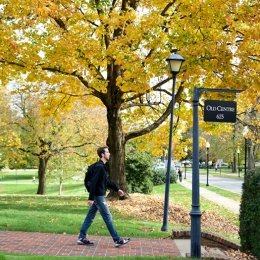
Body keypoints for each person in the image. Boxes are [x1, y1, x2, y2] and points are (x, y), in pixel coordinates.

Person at [77, 146, 130, 247]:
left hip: (98, 196)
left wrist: (117, 189)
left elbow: (107, 181)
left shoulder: (102, 166)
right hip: (98, 196)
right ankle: (117, 240)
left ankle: (81, 237)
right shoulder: (99, 167)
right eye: (107, 152)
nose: (109, 153)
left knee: (90, 216)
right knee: (108, 217)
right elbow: (93, 183)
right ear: (102, 154)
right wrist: (91, 198)